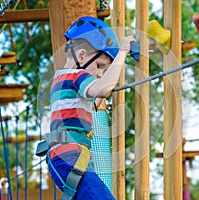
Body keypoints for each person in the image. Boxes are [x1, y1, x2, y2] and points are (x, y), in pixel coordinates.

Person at [46, 16, 135, 199]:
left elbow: (92, 102)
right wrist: (123, 52)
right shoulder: (75, 76)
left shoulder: (60, 79)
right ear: (81, 56)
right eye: (100, 66)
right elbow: (103, 89)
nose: (101, 74)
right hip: (70, 159)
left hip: (69, 160)